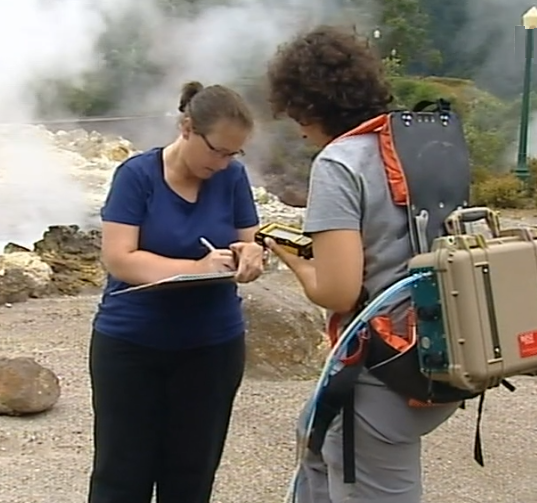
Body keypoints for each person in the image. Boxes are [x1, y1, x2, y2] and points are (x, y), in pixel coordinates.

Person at [263, 25, 461, 503]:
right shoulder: (419, 143)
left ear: (308, 105)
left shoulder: (339, 163)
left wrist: (291, 257)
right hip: (441, 348)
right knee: (312, 434)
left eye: (295, 114)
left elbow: (338, 292)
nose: (297, 128)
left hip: (381, 371)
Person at [88, 81, 267, 503]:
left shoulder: (233, 177)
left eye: (233, 154)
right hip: (132, 344)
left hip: (212, 346)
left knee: (192, 475)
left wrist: (251, 256)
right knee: (121, 475)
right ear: (186, 127)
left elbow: (252, 240)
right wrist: (195, 267)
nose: (223, 164)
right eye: (217, 151)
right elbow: (120, 258)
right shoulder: (136, 176)